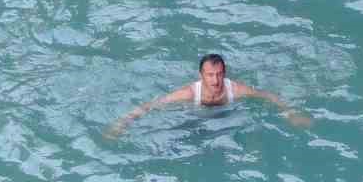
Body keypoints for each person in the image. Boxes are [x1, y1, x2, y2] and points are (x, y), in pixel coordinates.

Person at [106, 53, 311, 137]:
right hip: (193, 116)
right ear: (201, 75)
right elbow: (150, 106)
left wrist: (291, 113)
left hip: (227, 117)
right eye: (210, 75)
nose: (215, 80)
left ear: (225, 73)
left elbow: (269, 96)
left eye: (219, 74)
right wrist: (121, 123)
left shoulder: (236, 90)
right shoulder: (188, 93)